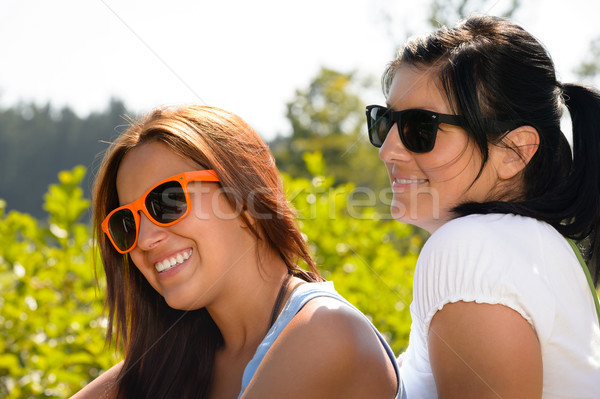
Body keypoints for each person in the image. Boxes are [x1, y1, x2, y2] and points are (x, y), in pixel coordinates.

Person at [71, 104, 400, 398]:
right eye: (126, 223)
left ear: (246, 198)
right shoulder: (176, 357)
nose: (144, 240)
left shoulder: (326, 331)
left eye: (168, 201)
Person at [365, 14, 600, 399]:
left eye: (421, 128)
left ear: (514, 152)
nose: (389, 149)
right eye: (384, 121)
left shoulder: (470, 246)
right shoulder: (541, 246)